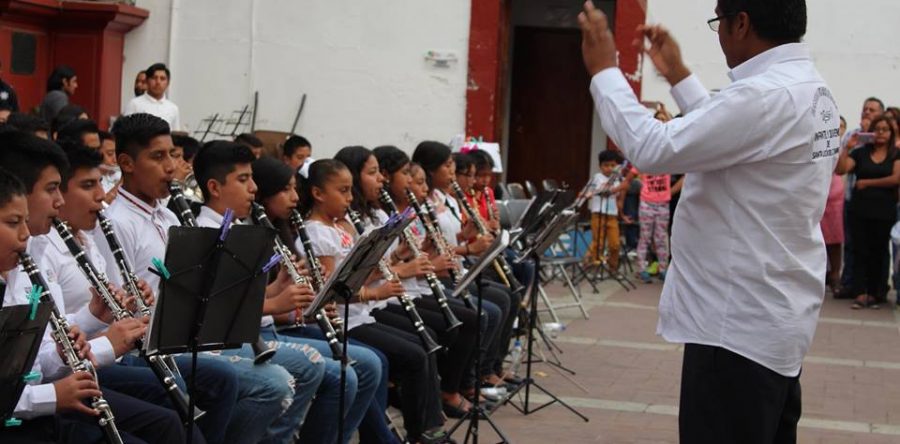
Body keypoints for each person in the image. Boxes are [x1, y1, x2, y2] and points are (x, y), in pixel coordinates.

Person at [579, 0, 838, 442]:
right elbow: (735, 136)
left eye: (719, 21)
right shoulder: (808, 88)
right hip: (773, 320)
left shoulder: (764, 95)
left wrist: (604, 72)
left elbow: (653, 148)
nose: (717, 33)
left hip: (735, 328)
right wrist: (680, 77)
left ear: (741, 23)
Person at [94, 113, 299, 444]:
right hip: (144, 348)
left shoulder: (168, 214)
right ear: (126, 163)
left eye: (173, 155)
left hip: (185, 338)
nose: (171, 168)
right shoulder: (117, 221)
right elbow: (120, 307)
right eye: (158, 157)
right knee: (269, 384)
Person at [0, 134, 189, 444]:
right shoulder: (36, 250)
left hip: (43, 399)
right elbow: (23, 383)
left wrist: (91, 319)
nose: (59, 201)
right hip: (27, 411)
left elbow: (42, 356)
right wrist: (105, 346)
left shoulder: (31, 257)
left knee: (168, 421)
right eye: (52, 189)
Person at [300, 157, 449, 444]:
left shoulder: (341, 226)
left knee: (423, 344)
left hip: (361, 314)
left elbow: (360, 271)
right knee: (408, 356)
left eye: (350, 190)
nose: (349, 198)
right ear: (318, 194)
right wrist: (381, 287)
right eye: (342, 191)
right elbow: (331, 291)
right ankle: (416, 433)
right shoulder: (316, 233)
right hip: (346, 320)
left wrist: (397, 257)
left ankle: (427, 426)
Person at [835, 115, 899, 309]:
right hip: (860, 209)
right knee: (859, 250)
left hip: (883, 210)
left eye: (885, 129)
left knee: (878, 251)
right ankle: (860, 292)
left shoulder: (895, 154)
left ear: (891, 133)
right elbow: (841, 169)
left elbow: (896, 178)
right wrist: (847, 148)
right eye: (877, 129)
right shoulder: (861, 153)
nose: (880, 133)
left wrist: (868, 183)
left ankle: (875, 292)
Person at [838, 97, 886, 299]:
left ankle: (876, 289)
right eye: (865, 108)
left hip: (881, 203)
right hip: (852, 197)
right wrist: (851, 144)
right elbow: (841, 164)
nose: (867, 112)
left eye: (872, 110)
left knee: (878, 248)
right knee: (852, 244)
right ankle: (850, 284)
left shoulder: (885, 136)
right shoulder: (852, 134)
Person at [584, 150, 625, 270]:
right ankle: (591, 262)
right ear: (600, 166)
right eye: (606, 165)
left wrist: (620, 199)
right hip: (598, 213)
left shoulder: (617, 179)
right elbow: (588, 191)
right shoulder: (597, 177)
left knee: (615, 244)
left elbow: (620, 193)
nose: (609, 168)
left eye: (612, 165)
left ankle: (613, 266)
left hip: (612, 214)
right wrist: (592, 193)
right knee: (598, 241)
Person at [822, 116, 848, 295]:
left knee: (835, 238)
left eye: (840, 126)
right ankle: (822, 272)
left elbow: (842, 168)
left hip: (834, 194)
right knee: (820, 237)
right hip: (818, 193)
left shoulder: (845, 145)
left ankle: (835, 275)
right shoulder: (819, 140)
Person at [123, 63, 181, 131]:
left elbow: (175, 135)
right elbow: (125, 131)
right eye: (154, 78)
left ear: (168, 83)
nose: (158, 82)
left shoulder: (173, 108)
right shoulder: (135, 104)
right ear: (147, 81)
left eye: (162, 79)